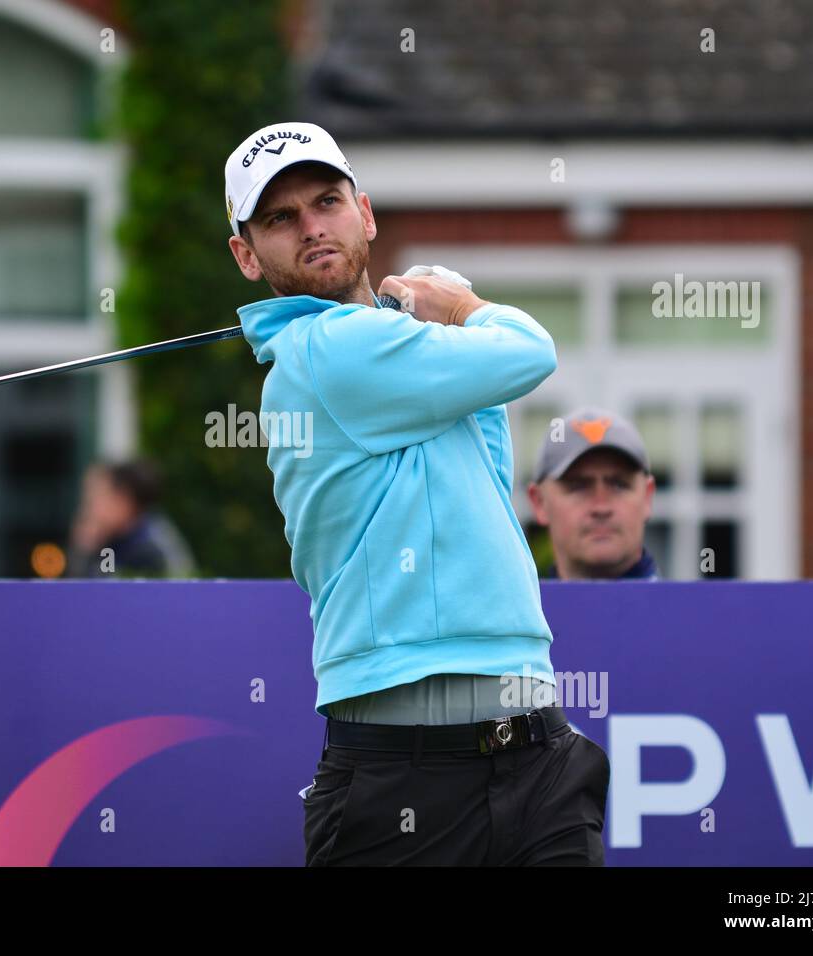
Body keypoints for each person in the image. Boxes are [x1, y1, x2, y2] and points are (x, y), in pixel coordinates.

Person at [225, 122, 608, 866]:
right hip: (403, 776)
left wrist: (427, 321)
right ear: (247, 255)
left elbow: (487, 460)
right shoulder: (320, 350)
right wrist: (461, 304)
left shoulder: (399, 352)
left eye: (326, 201)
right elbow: (530, 351)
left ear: (364, 214)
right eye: (280, 217)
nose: (311, 227)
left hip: (536, 750)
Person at [527, 407, 659, 580]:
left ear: (647, 497)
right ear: (539, 502)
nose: (601, 507)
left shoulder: (693, 607)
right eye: (578, 486)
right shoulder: (511, 607)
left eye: (620, 485)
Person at [66, 460, 194, 578]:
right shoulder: (112, 540)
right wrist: (84, 550)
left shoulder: (150, 549)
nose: (88, 508)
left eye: (96, 497)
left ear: (123, 501)